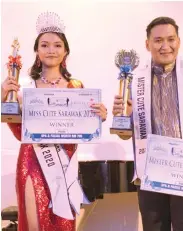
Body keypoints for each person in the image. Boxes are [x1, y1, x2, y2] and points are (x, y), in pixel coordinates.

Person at [112, 16, 183, 231]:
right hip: (150, 176)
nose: (165, 46)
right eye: (158, 40)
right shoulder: (134, 82)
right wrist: (123, 118)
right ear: (147, 44)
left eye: (171, 39)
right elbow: (125, 134)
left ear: (179, 41)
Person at [1, 12, 107, 231]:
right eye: (45, 45)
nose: (51, 50)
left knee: (63, 225)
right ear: (37, 51)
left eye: (57, 45)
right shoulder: (23, 87)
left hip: (65, 165)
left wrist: (100, 117)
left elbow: (84, 128)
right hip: (32, 161)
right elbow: (14, 126)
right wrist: (3, 94)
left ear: (65, 51)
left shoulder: (76, 87)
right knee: (36, 223)